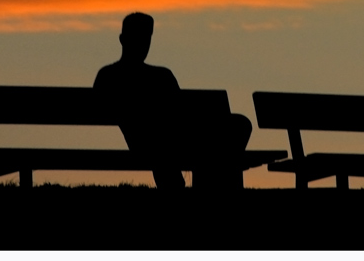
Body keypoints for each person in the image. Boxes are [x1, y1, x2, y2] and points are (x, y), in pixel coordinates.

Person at [93, 12, 251, 189]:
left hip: (164, 141)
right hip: (154, 143)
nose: (144, 44)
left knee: (239, 126)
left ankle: (206, 186)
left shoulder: (117, 75)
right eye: (140, 37)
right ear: (123, 39)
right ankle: (215, 189)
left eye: (147, 38)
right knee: (230, 137)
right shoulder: (148, 76)